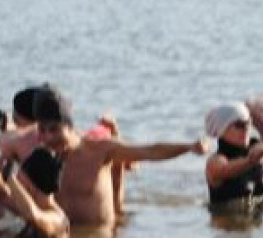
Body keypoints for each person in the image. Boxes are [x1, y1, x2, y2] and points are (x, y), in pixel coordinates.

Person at [34, 86, 207, 230]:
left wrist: (188, 147)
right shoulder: (37, 156)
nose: (48, 137)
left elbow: (150, 151)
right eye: (42, 130)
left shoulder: (98, 150)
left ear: (70, 127)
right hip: (63, 237)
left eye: (55, 129)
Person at [204, 102, 263, 213]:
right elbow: (225, 169)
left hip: (255, 221)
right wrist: (250, 160)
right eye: (240, 125)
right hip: (226, 221)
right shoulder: (215, 161)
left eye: (248, 123)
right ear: (222, 129)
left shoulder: (256, 150)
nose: (246, 128)